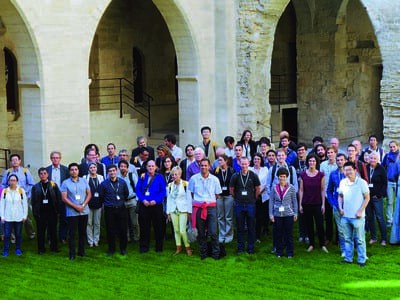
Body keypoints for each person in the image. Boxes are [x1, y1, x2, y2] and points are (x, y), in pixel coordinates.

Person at [189, 158, 222, 260]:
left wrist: (208, 202)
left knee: (213, 232)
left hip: (211, 207)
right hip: (199, 207)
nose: (203, 167)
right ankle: (203, 253)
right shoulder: (193, 179)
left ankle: (216, 253)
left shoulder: (215, 179)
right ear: (199, 166)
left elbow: (217, 195)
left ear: (209, 166)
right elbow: (192, 193)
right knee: (201, 232)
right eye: (202, 165)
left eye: (205, 165)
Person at [338, 161, 370, 266]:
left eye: (350, 170)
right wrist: (340, 208)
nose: (348, 172)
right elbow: (340, 196)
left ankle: (361, 260)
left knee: (360, 240)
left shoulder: (362, 183)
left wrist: (360, 211)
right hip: (345, 216)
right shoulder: (343, 182)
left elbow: (367, 198)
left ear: (355, 170)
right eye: (346, 170)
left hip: (358, 217)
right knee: (347, 239)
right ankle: (348, 259)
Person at [61, 163, 92, 260]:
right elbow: (64, 198)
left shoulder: (84, 181)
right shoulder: (65, 183)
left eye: (76, 169)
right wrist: (75, 206)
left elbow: (89, 194)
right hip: (72, 212)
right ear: (69, 171)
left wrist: (83, 205)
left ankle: (81, 251)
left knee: (82, 232)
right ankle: (72, 253)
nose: (74, 171)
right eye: (72, 170)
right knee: (72, 233)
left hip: (84, 210)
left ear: (78, 171)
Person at [230, 157, 260, 254]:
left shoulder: (253, 175)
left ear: (249, 164)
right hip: (239, 204)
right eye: (242, 164)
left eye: (245, 164)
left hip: (250, 204)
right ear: (239, 164)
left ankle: (251, 247)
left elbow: (257, 188)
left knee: (251, 226)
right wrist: (237, 198)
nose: (244, 166)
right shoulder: (235, 176)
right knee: (240, 227)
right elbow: (231, 189)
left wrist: (253, 199)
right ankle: (240, 247)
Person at [1, 153, 35, 240]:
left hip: (24, 198)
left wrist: (26, 194)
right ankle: (13, 237)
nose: (15, 161)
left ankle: (31, 233)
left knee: (27, 217)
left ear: (20, 161)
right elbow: (3, 185)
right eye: (13, 160)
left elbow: (31, 184)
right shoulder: (7, 172)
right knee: (11, 216)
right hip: (11, 198)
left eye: (16, 160)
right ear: (10, 162)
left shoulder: (25, 171)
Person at [299, 153, 328, 253]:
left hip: (318, 203)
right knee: (309, 224)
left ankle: (322, 244)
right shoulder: (303, 175)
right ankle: (311, 244)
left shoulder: (321, 175)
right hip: (306, 203)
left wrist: (323, 204)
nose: (312, 163)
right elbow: (301, 190)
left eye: (314, 161)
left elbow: (323, 190)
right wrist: (300, 204)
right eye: (310, 161)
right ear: (308, 162)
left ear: (316, 162)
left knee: (320, 224)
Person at [136, 160, 167, 253]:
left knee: (158, 227)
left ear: (155, 167)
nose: (151, 168)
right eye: (149, 166)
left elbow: (163, 191)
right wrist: (143, 200)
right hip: (144, 205)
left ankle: (159, 247)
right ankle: (144, 247)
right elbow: (138, 190)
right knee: (144, 227)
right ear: (146, 167)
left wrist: (156, 200)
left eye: (152, 166)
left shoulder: (160, 177)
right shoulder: (142, 177)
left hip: (156, 206)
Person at [99, 164, 129, 256]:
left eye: (113, 171)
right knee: (110, 230)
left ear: (117, 171)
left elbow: (126, 194)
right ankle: (111, 249)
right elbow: (101, 196)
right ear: (108, 173)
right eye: (110, 171)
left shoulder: (123, 182)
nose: (112, 172)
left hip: (121, 208)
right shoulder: (104, 184)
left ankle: (123, 249)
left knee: (123, 229)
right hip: (110, 209)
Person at [31, 168, 61, 254]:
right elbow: (33, 201)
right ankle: (41, 249)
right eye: (41, 174)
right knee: (41, 231)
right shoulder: (35, 187)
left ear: (47, 174)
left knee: (53, 231)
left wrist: (58, 210)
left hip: (52, 212)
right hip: (41, 213)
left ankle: (54, 247)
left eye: (44, 173)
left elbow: (58, 197)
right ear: (39, 175)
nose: (43, 175)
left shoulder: (53, 185)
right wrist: (35, 212)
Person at [269, 167, 298, 258]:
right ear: (278, 177)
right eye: (280, 176)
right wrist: (271, 214)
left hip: (288, 214)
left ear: (287, 177)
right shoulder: (274, 188)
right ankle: (279, 252)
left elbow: (294, 201)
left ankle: (290, 252)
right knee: (278, 233)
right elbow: (271, 201)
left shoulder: (291, 188)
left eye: (284, 176)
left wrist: (295, 213)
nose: (282, 178)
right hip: (277, 214)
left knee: (288, 234)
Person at [166, 166, 193, 256]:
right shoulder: (170, 186)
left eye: (176, 174)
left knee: (182, 230)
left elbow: (189, 199)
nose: (174, 176)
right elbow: (169, 199)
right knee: (176, 230)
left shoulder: (186, 184)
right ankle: (178, 247)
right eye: (172, 174)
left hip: (183, 210)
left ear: (180, 175)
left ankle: (188, 246)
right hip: (173, 210)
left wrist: (189, 211)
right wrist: (168, 212)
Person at [0, 174, 28, 257]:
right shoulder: (5, 191)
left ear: (17, 181)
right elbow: (2, 204)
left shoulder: (21, 191)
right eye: (11, 180)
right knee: (7, 234)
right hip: (8, 217)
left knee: (18, 234)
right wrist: (2, 216)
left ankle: (18, 249)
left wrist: (25, 215)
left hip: (18, 217)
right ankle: (5, 250)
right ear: (8, 181)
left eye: (14, 180)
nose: (12, 182)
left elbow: (25, 203)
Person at [46, 151, 69, 244]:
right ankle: (50, 238)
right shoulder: (47, 170)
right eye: (53, 158)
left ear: (60, 159)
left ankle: (62, 237)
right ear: (51, 159)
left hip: (63, 197)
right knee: (50, 218)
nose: (55, 159)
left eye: (57, 158)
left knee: (63, 218)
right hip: (51, 197)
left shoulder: (65, 169)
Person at [213, 154, 235, 252]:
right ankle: (222, 234)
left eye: (221, 160)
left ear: (226, 161)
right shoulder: (216, 171)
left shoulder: (231, 171)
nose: (219, 162)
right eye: (218, 160)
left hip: (229, 196)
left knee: (228, 216)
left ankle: (229, 234)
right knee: (220, 216)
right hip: (219, 196)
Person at [326, 153, 347, 257]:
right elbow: (329, 190)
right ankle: (344, 249)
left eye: (341, 160)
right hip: (336, 205)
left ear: (345, 161)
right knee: (340, 229)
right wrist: (332, 202)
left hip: (348, 205)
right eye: (338, 160)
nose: (339, 162)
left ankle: (351, 247)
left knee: (350, 227)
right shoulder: (333, 174)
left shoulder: (350, 173)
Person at [366, 152, 388, 246]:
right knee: (370, 217)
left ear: (378, 159)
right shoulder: (366, 168)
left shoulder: (381, 169)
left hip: (377, 197)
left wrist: (379, 195)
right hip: (367, 197)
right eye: (371, 158)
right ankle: (373, 237)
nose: (373, 160)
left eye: (375, 158)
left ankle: (384, 239)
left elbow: (384, 183)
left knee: (380, 217)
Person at [118, 159, 139, 243]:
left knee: (135, 222)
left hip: (132, 201)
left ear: (127, 168)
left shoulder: (132, 175)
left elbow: (137, 188)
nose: (123, 168)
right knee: (124, 222)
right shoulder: (118, 177)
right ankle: (127, 238)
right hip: (122, 202)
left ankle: (137, 237)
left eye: (124, 166)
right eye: (121, 166)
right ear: (119, 168)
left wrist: (137, 200)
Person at [320, 146, 338, 244]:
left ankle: (338, 238)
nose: (330, 154)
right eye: (328, 153)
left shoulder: (338, 164)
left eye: (332, 152)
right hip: (326, 194)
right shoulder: (323, 164)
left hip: (336, 194)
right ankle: (328, 236)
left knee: (337, 217)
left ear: (335, 153)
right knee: (328, 217)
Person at [250, 153, 269, 241]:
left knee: (260, 216)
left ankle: (259, 234)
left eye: (258, 159)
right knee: (252, 216)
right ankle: (253, 234)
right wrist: (254, 193)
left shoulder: (265, 169)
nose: (256, 161)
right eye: (255, 159)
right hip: (251, 197)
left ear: (261, 160)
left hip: (262, 196)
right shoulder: (250, 169)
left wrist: (258, 192)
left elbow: (266, 183)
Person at [84, 163, 104, 247]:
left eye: (94, 167)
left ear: (97, 168)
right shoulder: (85, 178)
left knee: (97, 223)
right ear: (89, 169)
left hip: (98, 203)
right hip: (88, 203)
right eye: (91, 167)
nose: (93, 169)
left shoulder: (101, 177)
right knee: (89, 223)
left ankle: (96, 240)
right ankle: (90, 241)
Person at [381, 140, 399, 227]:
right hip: (389, 182)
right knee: (389, 202)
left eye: (394, 146)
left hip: (398, 182)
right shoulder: (387, 156)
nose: (392, 148)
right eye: (391, 147)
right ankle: (389, 219)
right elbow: (382, 167)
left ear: (398, 146)